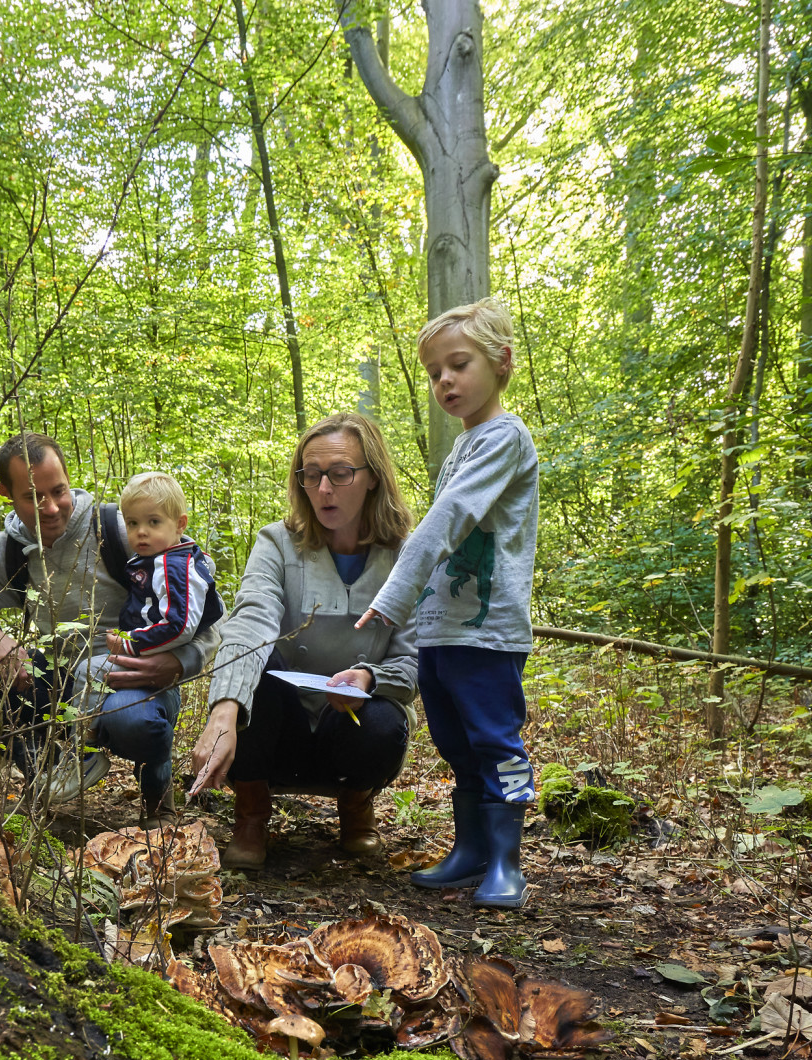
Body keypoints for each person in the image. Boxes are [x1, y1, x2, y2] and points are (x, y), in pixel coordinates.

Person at [355, 297, 539, 909]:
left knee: (494, 738)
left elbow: (450, 518)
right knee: (456, 742)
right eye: (434, 372)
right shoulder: (465, 443)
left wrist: (391, 599)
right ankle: (471, 849)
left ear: (502, 362)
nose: (444, 381)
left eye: (458, 364)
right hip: (442, 628)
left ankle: (506, 861)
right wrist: (416, 612)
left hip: (487, 632)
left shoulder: (505, 437)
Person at [0, 432, 202, 823]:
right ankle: (48, 770)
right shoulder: (8, 550)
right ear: (6, 493)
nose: (50, 508)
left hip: (131, 675)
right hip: (58, 677)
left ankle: (158, 802)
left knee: (133, 720)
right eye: (33, 497)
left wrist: (181, 662)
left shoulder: (124, 529)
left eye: (59, 491)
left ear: (71, 479)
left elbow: (204, 614)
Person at [189, 412, 418, 869]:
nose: (324, 490)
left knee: (382, 726)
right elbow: (250, 623)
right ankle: (251, 812)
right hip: (280, 725)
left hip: (350, 727)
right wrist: (223, 712)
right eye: (311, 476)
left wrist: (370, 679)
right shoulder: (276, 543)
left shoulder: (405, 555)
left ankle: (356, 806)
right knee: (254, 675)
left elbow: (415, 661)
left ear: (372, 477)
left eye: (340, 474)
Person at [110, 471, 224, 659]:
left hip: (150, 656)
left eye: (154, 522)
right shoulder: (155, 559)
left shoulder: (175, 568)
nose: (141, 532)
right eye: (132, 523)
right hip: (143, 650)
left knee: (86, 672)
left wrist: (128, 642)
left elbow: (179, 626)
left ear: (180, 524)